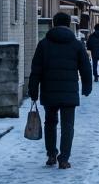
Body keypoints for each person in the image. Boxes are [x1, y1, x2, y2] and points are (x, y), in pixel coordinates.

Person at [28, 12, 93, 169]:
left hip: (49, 90)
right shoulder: (76, 44)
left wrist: (33, 90)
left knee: (50, 123)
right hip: (69, 91)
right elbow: (85, 67)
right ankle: (63, 159)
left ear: (53, 23)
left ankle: (51, 154)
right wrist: (86, 86)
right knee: (67, 126)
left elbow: (35, 69)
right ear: (69, 23)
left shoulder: (43, 44)